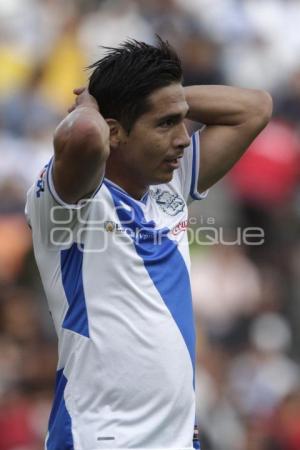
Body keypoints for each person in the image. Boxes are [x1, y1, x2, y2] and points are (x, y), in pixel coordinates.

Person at [25, 37, 272, 450]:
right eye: (164, 124)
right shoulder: (70, 206)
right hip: (100, 440)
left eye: (182, 120)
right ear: (115, 132)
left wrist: (160, 100)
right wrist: (92, 104)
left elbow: (256, 108)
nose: (182, 138)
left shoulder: (169, 184)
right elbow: (85, 134)